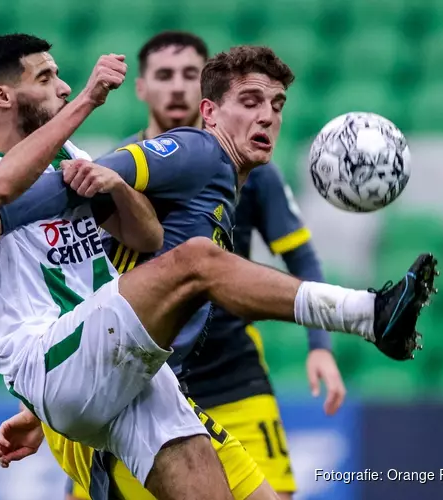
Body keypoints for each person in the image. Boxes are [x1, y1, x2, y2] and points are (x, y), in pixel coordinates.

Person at [0, 38, 438, 500]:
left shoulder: (75, 160)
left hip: (126, 365)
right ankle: (369, 315)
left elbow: (144, 236)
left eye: (277, 106)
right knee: (196, 260)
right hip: (52, 357)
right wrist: (88, 100)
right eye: (45, 78)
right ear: (2, 96)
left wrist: (116, 187)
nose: (61, 86)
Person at [106, 31, 345, 500]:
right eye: (164, 75)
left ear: (206, 94)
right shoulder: (118, 174)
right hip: (143, 386)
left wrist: (320, 346)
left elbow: (302, 258)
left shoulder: (254, 169)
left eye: (189, 75)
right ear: (141, 88)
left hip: (233, 374)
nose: (178, 88)